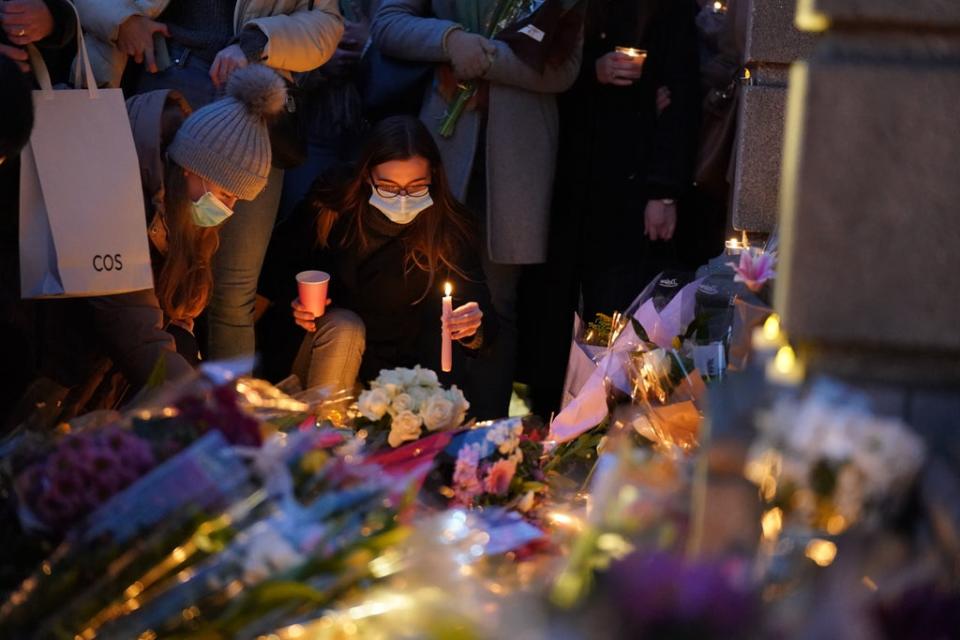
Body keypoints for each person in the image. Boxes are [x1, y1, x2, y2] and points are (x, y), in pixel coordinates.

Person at [12, 64, 286, 428]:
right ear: (192, 167)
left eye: (237, 200)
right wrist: (201, 403)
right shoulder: (118, 188)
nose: (228, 210)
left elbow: (184, 302)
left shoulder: (184, 205)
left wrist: (184, 343)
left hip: (113, 364)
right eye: (226, 194)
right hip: (53, 355)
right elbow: (129, 323)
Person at [73, 0, 344, 364]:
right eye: (228, 197)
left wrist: (258, 40)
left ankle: (225, 408)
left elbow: (327, 23)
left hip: (256, 91)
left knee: (230, 288)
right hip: (167, 72)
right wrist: (120, 20)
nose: (229, 206)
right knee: (144, 272)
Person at [370, 0, 583, 418]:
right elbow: (388, 22)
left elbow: (563, 68)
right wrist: (451, 40)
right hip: (437, 155)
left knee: (494, 307)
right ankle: (412, 432)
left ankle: (484, 446)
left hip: (515, 167)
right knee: (420, 292)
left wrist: (483, 57)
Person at [524, 0, 701, 417]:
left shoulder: (665, 13)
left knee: (617, 305)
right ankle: (549, 415)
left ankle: (607, 419)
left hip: (629, 185)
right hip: (563, 177)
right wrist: (592, 72)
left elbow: (682, 93)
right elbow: (538, 67)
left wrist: (663, 191)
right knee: (553, 306)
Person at [257, 115, 496, 393]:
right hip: (317, 358)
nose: (403, 198)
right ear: (367, 175)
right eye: (389, 187)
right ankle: (322, 433)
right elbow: (274, 273)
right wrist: (295, 305)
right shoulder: (333, 202)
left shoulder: (447, 228)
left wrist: (471, 327)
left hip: (387, 375)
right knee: (346, 327)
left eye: (417, 186)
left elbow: (483, 318)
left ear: (434, 176)